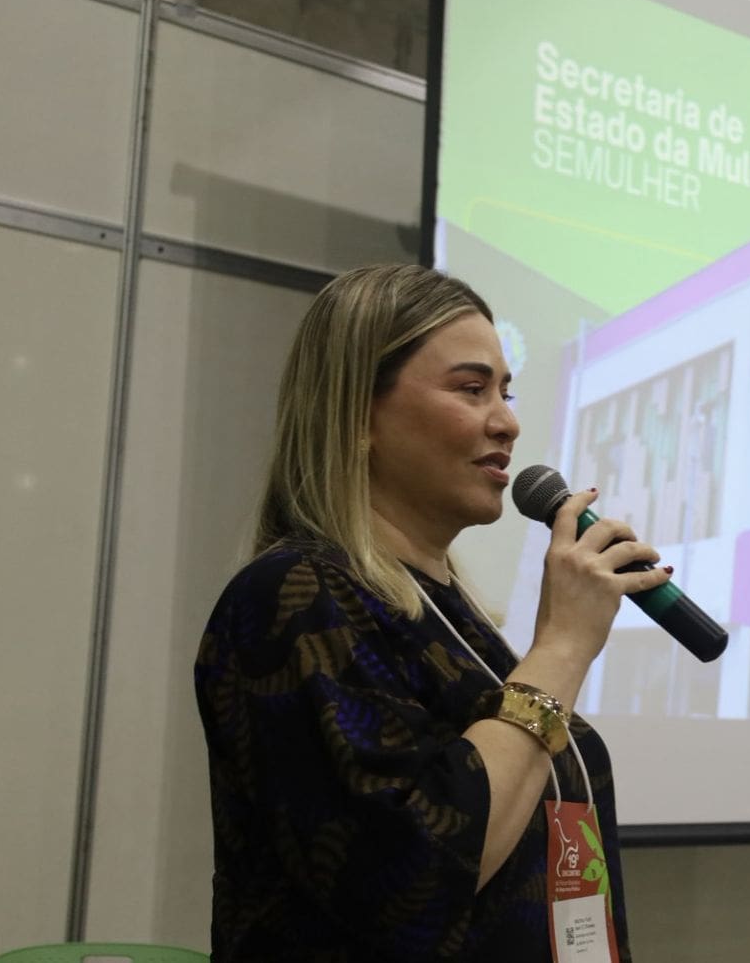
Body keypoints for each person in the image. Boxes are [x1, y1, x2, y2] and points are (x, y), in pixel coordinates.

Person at [194, 264, 670, 961]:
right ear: (358, 415)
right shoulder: (296, 596)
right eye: (472, 389)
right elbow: (414, 877)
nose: (507, 421)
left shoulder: (450, 616)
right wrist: (564, 646)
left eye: (506, 392)